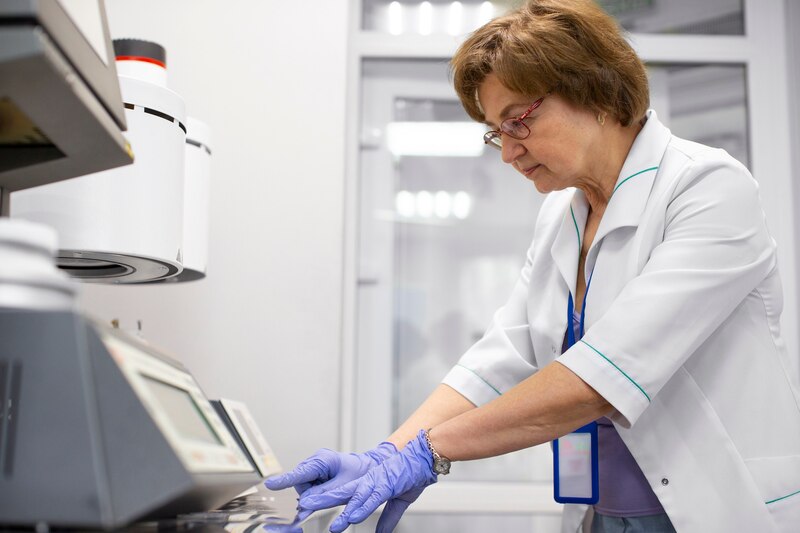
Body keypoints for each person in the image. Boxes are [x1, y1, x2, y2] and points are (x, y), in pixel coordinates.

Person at [266, 1, 800, 532]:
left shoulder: (707, 188)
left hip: (719, 511)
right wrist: (389, 452)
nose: (507, 153)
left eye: (517, 121)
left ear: (596, 92)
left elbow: (602, 377)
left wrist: (429, 452)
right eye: (496, 132)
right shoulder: (561, 215)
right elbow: (501, 356)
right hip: (601, 514)